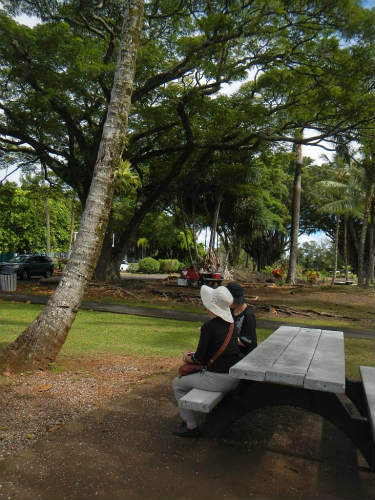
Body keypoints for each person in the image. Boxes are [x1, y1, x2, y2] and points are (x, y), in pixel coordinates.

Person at [172, 285, 241, 437]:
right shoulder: (232, 325)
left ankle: (191, 426)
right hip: (234, 376)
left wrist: (187, 358)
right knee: (189, 380)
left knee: (177, 384)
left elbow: (199, 359)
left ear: (211, 307)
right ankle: (190, 415)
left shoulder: (209, 326)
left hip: (219, 379)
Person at [226, 282, 257, 357]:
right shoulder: (231, 311)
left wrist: (223, 336)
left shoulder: (248, 316)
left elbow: (247, 342)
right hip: (231, 352)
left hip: (243, 355)